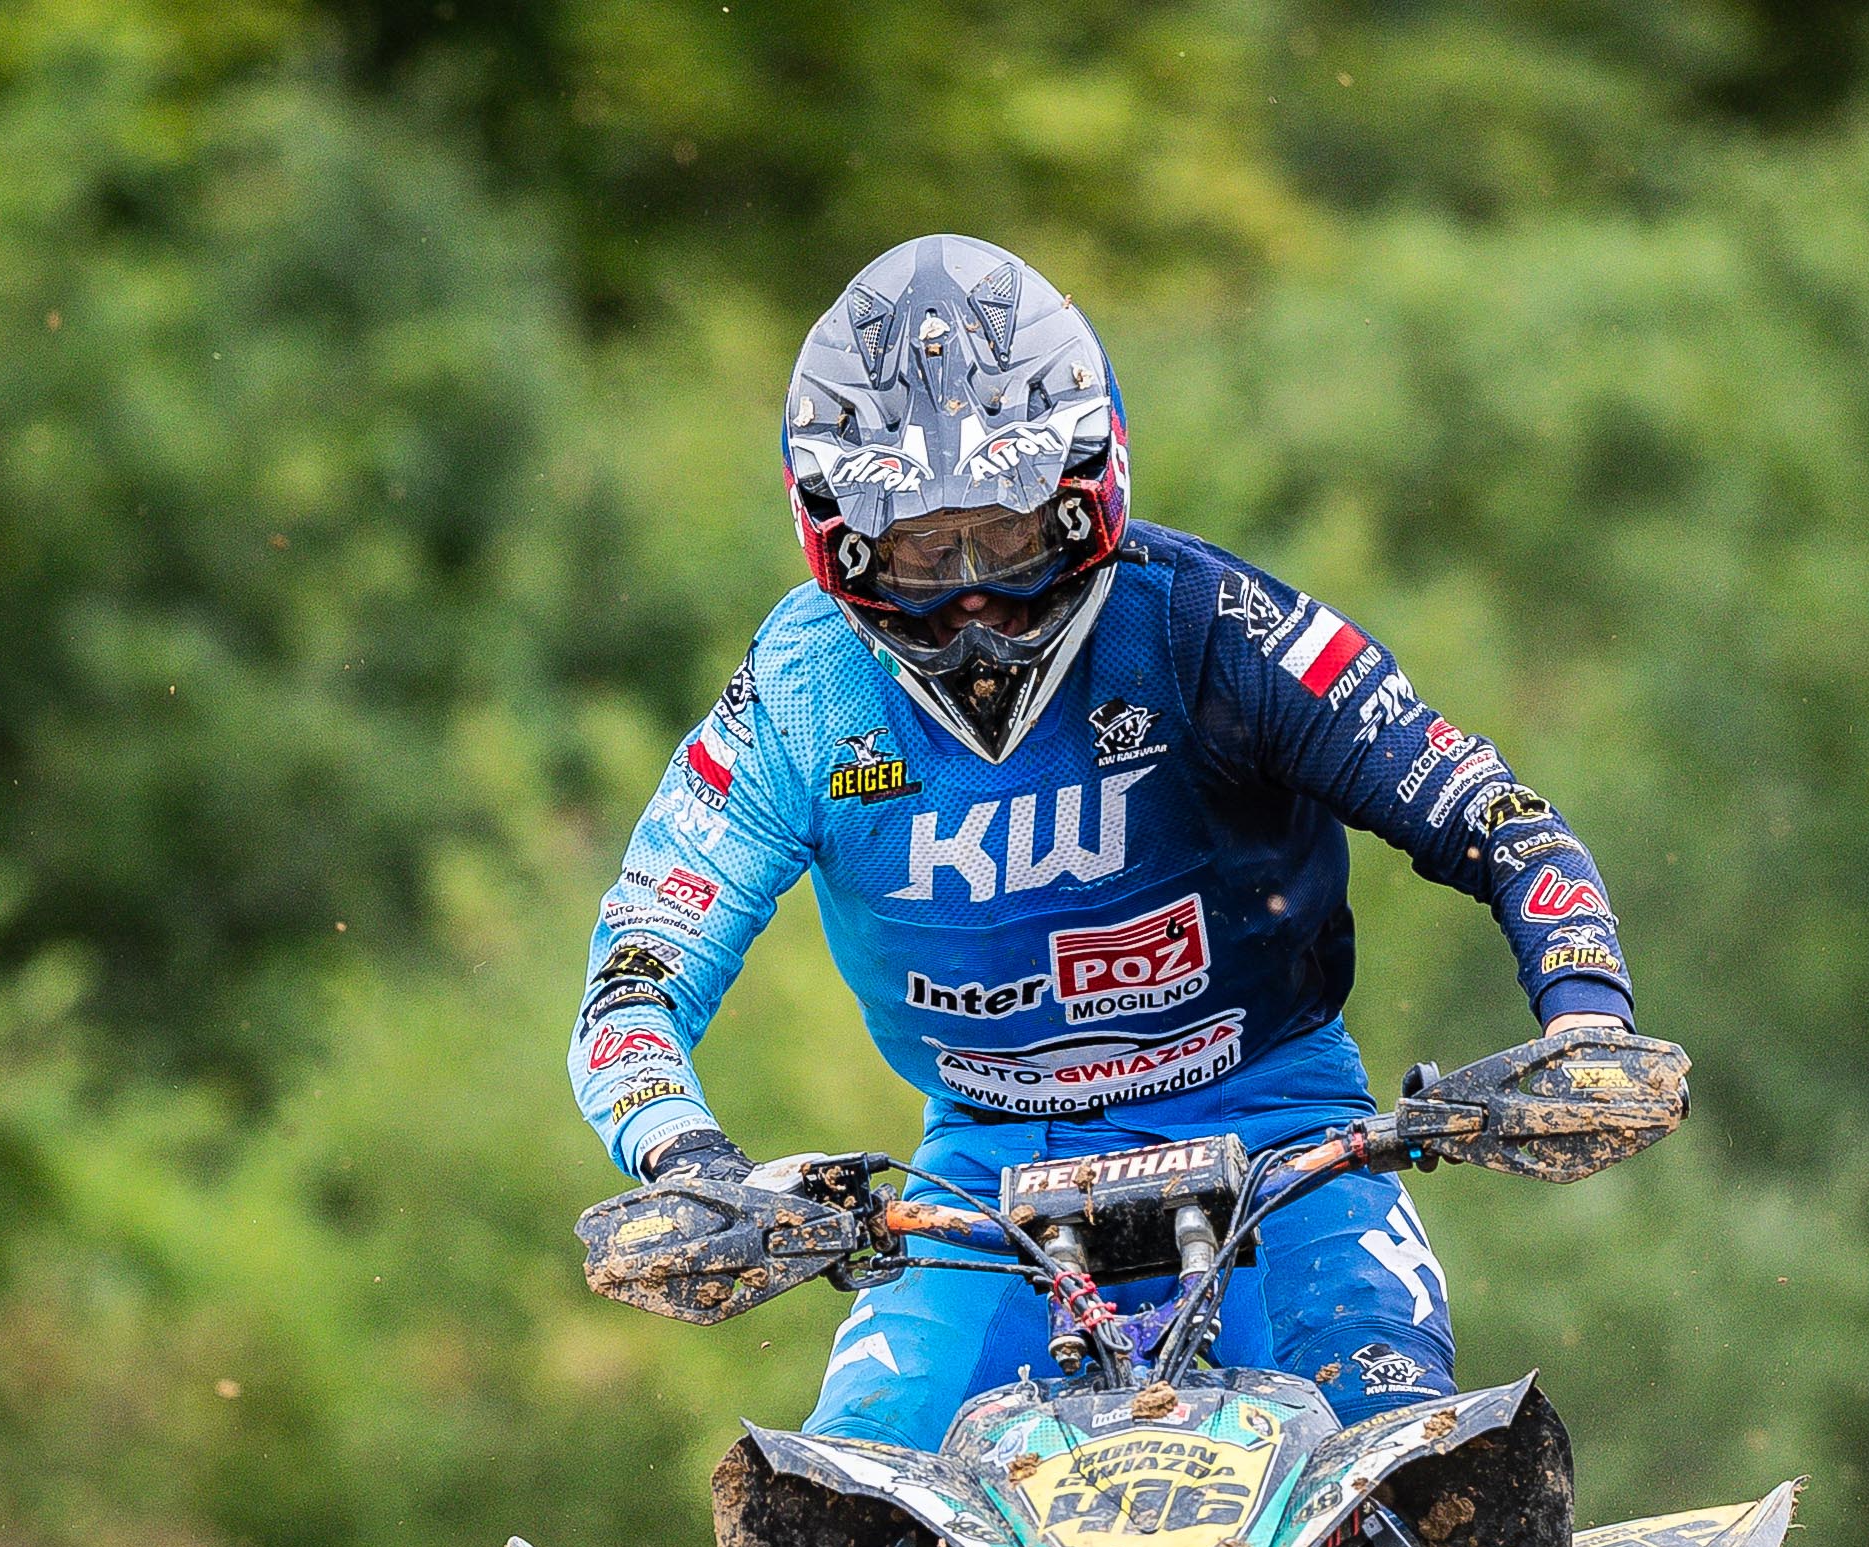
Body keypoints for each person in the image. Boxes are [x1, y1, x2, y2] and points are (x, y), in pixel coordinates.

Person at [561, 232, 1688, 1448]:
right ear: (840, 545)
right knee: (840, 1491)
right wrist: (691, 1162)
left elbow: (1490, 812)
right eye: (922, 550)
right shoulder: (801, 691)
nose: (975, 598)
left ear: (1086, 496)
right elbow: (638, 968)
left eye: (1008, 535)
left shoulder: (1215, 625)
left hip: (1284, 1126)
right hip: (979, 1174)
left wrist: (1584, 1020)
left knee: (1412, 1452)